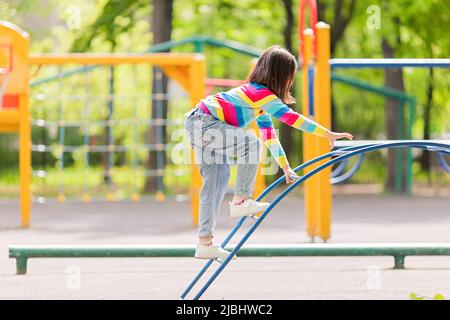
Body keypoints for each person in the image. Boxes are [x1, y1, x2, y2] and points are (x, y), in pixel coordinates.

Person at [184, 46, 353, 260]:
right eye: (290, 76)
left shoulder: (257, 99)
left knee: (217, 180)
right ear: (282, 76)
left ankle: (204, 242)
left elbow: (270, 137)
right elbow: (291, 118)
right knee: (250, 145)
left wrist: (285, 167)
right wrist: (325, 133)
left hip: (198, 123)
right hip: (203, 122)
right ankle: (241, 201)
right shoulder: (261, 95)